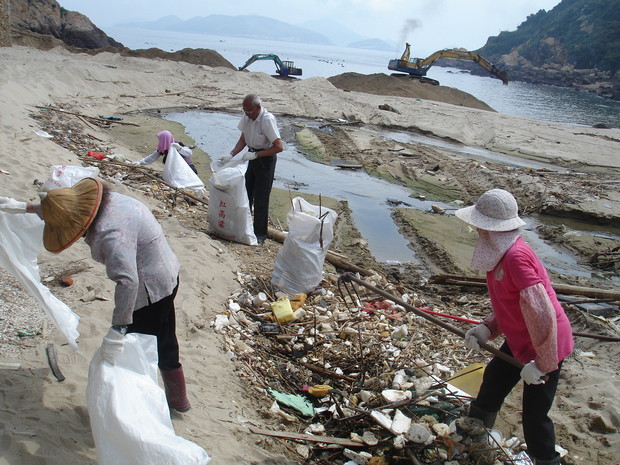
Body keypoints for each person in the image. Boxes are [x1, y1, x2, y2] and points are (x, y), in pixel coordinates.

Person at [0, 178, 191, 412]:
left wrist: (119, 328)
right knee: (164, 338)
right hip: (168, 273)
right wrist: (25, 208)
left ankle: (140, 409)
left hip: (150, 287)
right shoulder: (105, 202)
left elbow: (128, 282)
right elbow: (64, 209)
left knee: (135, 350)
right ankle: (179, 401)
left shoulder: (111, 234)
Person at [455, 189, 573, 465]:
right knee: (494, 381)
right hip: (522, 338)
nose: (474, 229)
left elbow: (540, 313)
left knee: (534, 412)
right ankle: (475, 433)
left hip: (547, 343)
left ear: (489, 228)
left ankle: (546, 459)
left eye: (478, 225)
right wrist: (487, 328)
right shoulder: (501, 253)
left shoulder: (516, 258)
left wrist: (543, 363)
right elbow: (510, 304)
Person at [219, 94, 283, 244]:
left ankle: (260, 233)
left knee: (261, 197)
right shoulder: (247, 118)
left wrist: (257, 155)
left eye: (249, 111)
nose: (247, 114)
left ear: (258, 108)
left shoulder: (267, 120)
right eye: (245, 111)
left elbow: (279, 147)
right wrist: (231, 154)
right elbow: (243, 138)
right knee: (246, 193)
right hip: (251, 156)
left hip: (265, 160)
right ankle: (244, 227)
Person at [133, 130, 198, 174]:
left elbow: (188, 153)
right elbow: (152, 157)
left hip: (188, 170)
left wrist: (179, 148)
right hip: (177, 172)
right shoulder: (163, 148)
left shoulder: (177, 144)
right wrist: (139, 162)